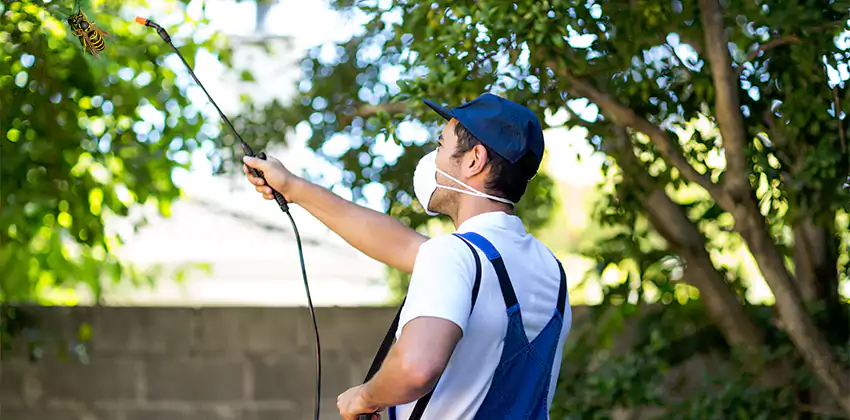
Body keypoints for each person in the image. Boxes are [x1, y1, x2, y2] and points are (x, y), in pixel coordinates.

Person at [242, 93, 572, 420]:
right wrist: (292, 187)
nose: (434, 158)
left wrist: (365, 397)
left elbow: (417, 367)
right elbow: (398, 245)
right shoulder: (550, 272)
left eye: (440, 146)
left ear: (474, 160)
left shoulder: (455, 256)